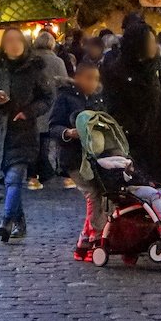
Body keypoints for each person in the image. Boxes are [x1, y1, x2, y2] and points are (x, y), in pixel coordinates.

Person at [0, 27, 53, 242]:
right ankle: (20, 222)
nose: (13, 44)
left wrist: (28, 112)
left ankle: (6, 221)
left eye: (17, 40)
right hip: (1, 132)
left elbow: (47, 98)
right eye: (9, 41)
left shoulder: (34, 68)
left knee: (14, 179)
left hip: (24, 133)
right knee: (8, 180)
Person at [102, 19, 161, 185]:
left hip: (155, 138)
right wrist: (129, 128)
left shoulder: (155, 66)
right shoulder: (116, 70)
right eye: (149, 42)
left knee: (154, 190)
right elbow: (112, 105)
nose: (153, 46)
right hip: (131, 141)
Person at [48, 60, 106, 257]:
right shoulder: (65, 97)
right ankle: (94, 238)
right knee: (92, 193)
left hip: (94, 157)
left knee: (101, 193)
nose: (92, 82)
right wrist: (68, 132)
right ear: (78, 77)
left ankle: (86, 240)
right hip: (73, 157)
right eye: (89, 78)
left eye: (95, 78)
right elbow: (53, 126)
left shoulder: (97, 98)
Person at [29, 29, 69, 191]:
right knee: (47, 140)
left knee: (35, 140)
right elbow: (64, 83)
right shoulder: (58, 62)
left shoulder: (30, 60)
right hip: (53, 105)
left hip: (34, 105)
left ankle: (36, 172)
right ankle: (46, 169)